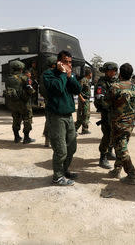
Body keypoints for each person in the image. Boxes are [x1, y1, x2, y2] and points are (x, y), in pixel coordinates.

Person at [43, 50, 82, 186]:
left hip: (68, 115)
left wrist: (70, 76)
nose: (68, 64)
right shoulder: (49, 75)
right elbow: (58, 88)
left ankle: (64, 171)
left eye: (70, 62)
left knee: (72, 147)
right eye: (66, 61)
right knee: (61, 150)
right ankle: (57, 177)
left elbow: (77, 90)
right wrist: (63, 74)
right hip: (56, 116)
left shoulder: (68, 75)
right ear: (59, 62)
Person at [106, 63, 135, 184]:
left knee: (121, 149)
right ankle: (117, 169)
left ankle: (131, 175)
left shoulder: (114, 87)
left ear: (120, 73)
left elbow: (106, 103)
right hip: (130, 124)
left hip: (118, 123)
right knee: (121, 146)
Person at [94, 62, 119, 169]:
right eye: (110, 70)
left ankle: (109, 151)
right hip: (107, 113)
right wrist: (110, 105)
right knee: (107, 135)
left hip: (115, 113)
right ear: (106, 71)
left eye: (114, 70)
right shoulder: (102, 83)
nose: (113, 72)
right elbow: (100, 99)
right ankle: (102, 157)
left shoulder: (116, 81)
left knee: (114, 134)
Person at [4, 60, 35, 144]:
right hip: (23, 103)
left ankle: (16, 137)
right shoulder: (24, 78)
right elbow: (31, 90)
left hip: (13, 103)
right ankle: (26, 138)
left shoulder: (8, 78)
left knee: (16, 119)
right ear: (21, 68)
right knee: (27, 119)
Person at [39, 56, 57, 147]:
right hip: (56, 101)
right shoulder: (55, 73)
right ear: (54, 64)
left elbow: (41, 89)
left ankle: (47, 140)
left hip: (48, 100)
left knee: (48, 120)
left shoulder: (43, 74)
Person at [75, 67, 93, 134]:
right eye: (91, 74)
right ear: (89, 74)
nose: (91, 75)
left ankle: (84, 129)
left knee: (86, 114)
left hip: (87, 100)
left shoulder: (87, 81)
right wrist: (82, 98)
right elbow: (78, 90)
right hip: (83, 100)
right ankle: (74, 128)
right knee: (83, 115)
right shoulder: (83, 80)